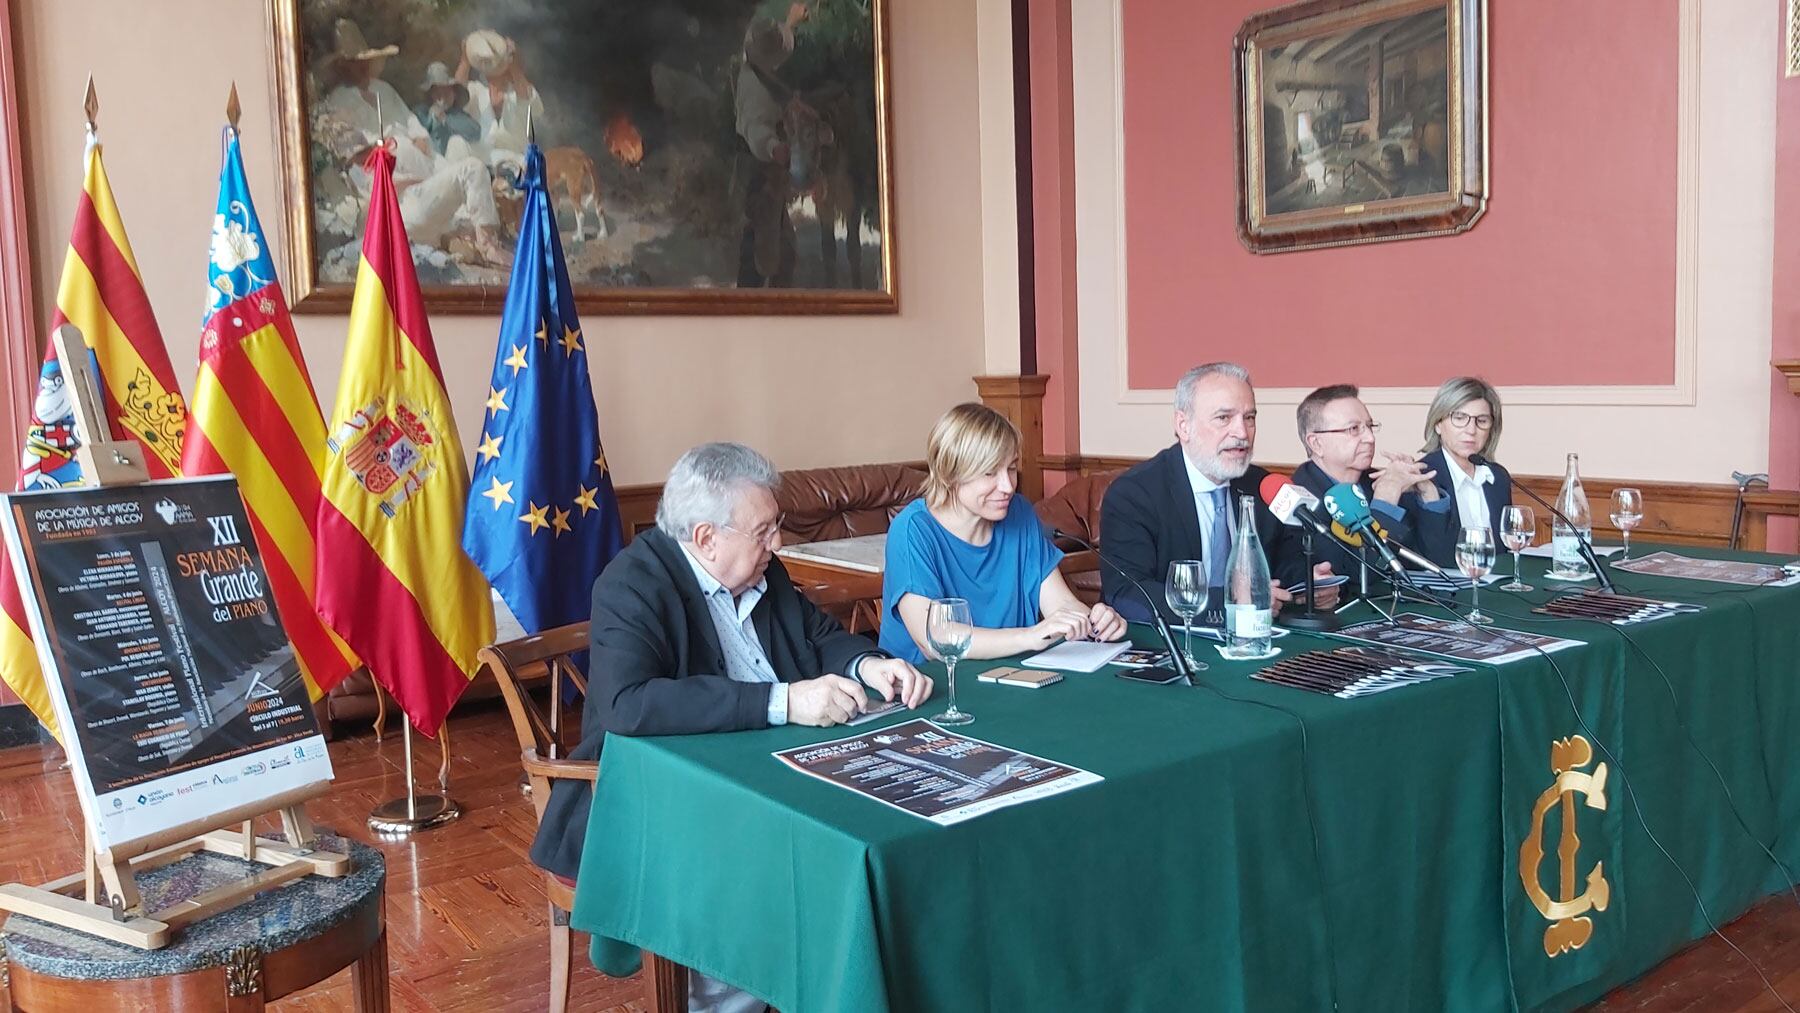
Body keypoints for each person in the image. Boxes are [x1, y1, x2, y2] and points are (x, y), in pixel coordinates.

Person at [532, 442, 933, 886]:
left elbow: (817, 634)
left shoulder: (761, 568)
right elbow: (627, 704)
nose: (777, 542)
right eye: (763, 531)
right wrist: (784, 702)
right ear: (706, 539)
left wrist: (866, 664)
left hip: (776, 770)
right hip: (664, 802)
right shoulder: (632, 585)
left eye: (776, 525)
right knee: (817, 860)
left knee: (896, 821)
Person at [881, 403, 1126, 664]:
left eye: (1011, 468)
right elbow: (935, 640)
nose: (1008, 486)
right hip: (930, 684)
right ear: (949, 474)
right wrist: (1029, 637)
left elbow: (1060, 604)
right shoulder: (913, 529)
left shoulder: (1019, 512)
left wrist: (1093, 621)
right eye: (989, 472)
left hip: (1012, 674)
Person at [1100, 362, 1338, 625]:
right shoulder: (1135, 494)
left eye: (1249, 418)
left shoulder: (1261, 485)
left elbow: (1284, 561)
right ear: (1184, 426)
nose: (1242, 433)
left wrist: (1308, 584)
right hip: (1170, 641)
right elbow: (1127, 595)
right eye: (1224, 418)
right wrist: (1230, 604)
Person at [315, 19, 508, 265]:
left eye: (364, 62)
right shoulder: (338, 103)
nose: (361, 68)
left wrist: (419, 139)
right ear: (343, 66)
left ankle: (478, 242)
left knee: (470, 167)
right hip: (404, 202)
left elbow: (412, 123)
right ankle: (465, 240)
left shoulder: (383, 90)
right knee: (461, 169)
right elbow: (361, 168)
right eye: (354, 63)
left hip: (425, 173)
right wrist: (406, 175)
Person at [1291, 384, 1456, 582]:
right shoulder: (1300, 499)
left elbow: (1435, 562)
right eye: (1353, 429)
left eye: (1370, 426)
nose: (1369, 438)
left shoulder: (1375, 481)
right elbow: (1353, 576)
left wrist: (1428, 494)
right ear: (1316, 443)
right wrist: (1384, 503)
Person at [1417, 377, 1514, 567]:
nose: (1471, 430)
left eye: (1481, 420)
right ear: (1438, 423)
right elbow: (1433, 557)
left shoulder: (1497, 477)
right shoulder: (1423, 477)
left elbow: (1504, 552)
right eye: (1459, 418)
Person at [412, 61, 479, 158]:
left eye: (446, 91)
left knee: (456, 142)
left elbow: (476, 132)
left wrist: (444, 119)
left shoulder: (458, 115)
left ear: (454, 93)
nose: (442, 97)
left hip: (452, 163)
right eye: (437, 92)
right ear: (430, 94)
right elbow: (413, 130)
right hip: (429, 161)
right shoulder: (420, 112)